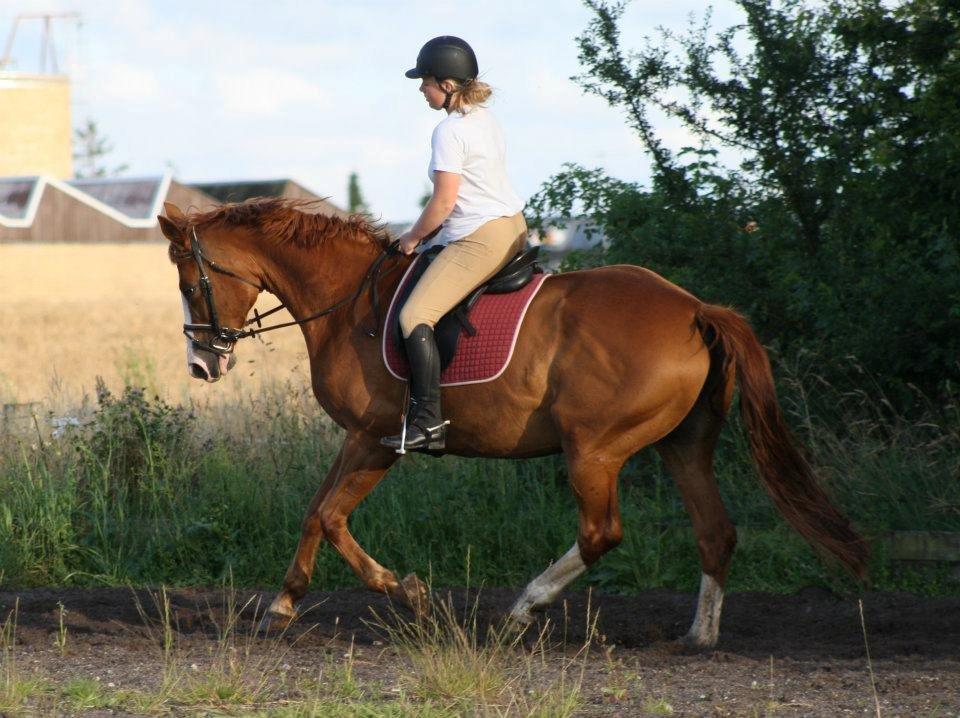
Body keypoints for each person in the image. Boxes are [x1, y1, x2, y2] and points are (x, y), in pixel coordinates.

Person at [381, 36, 527, 452]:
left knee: (413, 316)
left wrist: (411, 237)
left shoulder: (449, 131)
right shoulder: (485, 119)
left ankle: (427, 422)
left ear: (446, 85)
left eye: (425, 81)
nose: (420, 89)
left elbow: (443, 202)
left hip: (479, 237)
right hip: (511, 225)